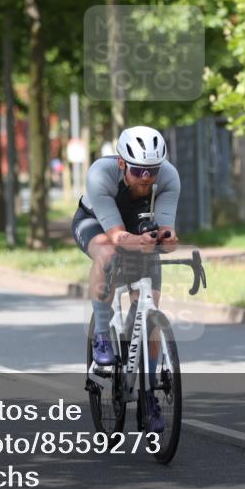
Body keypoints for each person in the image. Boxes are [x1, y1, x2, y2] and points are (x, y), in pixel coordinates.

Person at [71, 126, 181, 432]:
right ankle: (103, 336)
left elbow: (168, 232)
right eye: (137, 170)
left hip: (140, 228)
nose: (146, 179)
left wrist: (168, 239)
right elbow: (117, 235)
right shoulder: (100, 175)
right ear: (122, 164)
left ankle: (148, 397)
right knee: (107, 255)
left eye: (152, 171)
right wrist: (137, 243)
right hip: (96, 223)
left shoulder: (169, 177)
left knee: (149, 317)